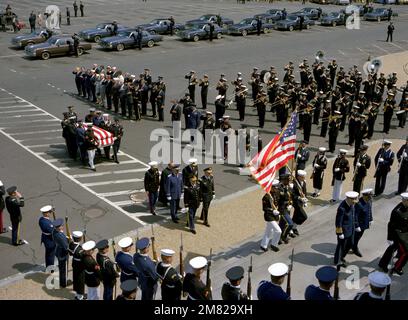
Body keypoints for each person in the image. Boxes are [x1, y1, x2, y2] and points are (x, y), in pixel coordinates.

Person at [378, 193, 408, 275]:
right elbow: (390, 225)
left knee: (393, 249)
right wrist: (389, 238)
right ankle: (395, 267)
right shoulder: (396, 212)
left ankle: (383, 264)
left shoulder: (406, 207)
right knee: (403, 251)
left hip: (404, 234)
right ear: (404, 201)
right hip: (397, 235)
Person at [333, 191, 359, 267]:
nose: (354, 202)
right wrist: (340, 233)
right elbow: (338, 221)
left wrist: (356, 225)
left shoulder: (352, 204)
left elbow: (354, 216)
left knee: (350, 243)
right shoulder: (342, 208)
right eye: (353, 200)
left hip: (351, 229)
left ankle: (342, 257)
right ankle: (337, 261)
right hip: (343, 232)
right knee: (340, 246)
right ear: (348, 199)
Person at [260, 180, 281, 252]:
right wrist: (273, 211)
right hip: (269, 216)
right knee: (278, 231)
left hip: (275, 215)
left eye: (277, 188)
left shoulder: (277, 193)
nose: (276, 189)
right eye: (275, 188)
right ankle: (274, 245)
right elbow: (264, 208)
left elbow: (279, 202)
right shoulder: (266, 197)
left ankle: (263, 245)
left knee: (269, 231)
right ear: (271, 187)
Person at [353, 189, 373, 257]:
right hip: (359, 225)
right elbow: (355, 216)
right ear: (364, 196)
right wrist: (357, 225)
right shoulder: (359, 204)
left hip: (365, 223)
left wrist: (371, 219)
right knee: (356, 237)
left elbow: (370, 210)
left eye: (370, 196)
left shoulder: (369, 201)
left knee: (359, 237)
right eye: (368, 196)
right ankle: (354, 248)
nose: (370, 198)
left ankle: (353, 245)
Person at [51, 218, 69, 287]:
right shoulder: (60, 236)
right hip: (62, 254)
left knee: (62, 268)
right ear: (58, 227)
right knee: (63, 269)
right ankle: (64, 283)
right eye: (62, 225)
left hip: (58, 250)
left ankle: (62, 282)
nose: (63, 226)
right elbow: (66, 247)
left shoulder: (55, 231)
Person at [69, 230, 85, 300]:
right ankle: (80, 297)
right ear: (80, 238)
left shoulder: (71, 244)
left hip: (74, 263)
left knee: (75, 278)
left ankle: (76, 294)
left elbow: (70, 253)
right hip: (80, 265)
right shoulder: (79, 249)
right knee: (80, 280)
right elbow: (83, 257)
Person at [292, 170, 308, 235]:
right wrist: (299, 198)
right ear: (299, 177)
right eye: (302, 177)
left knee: (296, 216)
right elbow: (292, 194)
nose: (304, 178)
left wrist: (305, 200)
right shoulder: (295, 183)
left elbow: (305, 192)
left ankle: (293, 228)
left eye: (304, 177)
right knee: (304, 216)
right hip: (296, 202)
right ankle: (293, 227)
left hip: (301, 202)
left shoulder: (304, 182)